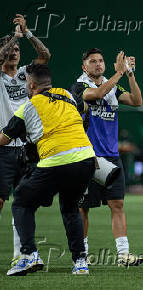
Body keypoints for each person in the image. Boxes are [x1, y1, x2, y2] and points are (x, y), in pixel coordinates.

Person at [2, 64, 95, 276]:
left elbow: (3, 139)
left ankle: (28, 255)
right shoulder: (66, 94)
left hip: (56, 161)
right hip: (85, 158)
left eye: (27, 83)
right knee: (71, 208)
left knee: (22, 202)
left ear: (32, 84)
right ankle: (80, 262)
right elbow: (84, 111)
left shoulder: (28, 107)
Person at [70, 48, 143, 266]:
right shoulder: (79, 86)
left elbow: (137, 100)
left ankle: (123, 255)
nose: (98, 64)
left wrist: (129, 74)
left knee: (117, 204)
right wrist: (119, 73)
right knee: (83, 208)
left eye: (101, 60)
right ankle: (82, 254)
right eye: (93, 61)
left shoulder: (114, 86)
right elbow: (98, 94)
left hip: (111, 157)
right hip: (87, 157)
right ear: (84, 67)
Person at [0, 14, 51, 266]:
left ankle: (23, 253)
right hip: (3, 147)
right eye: (10, 50)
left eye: (17, 50)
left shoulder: (24, 74)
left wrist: (27, 33)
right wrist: (14, 38)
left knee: (26, 202)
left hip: (27, 148)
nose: (14, 53)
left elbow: (45, 57)